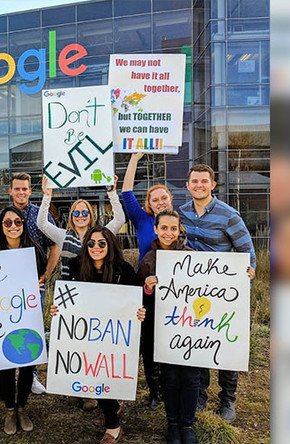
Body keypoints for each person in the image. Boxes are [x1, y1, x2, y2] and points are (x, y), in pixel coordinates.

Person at [50, 226, 145, 444]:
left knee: (105, 375)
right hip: (86, 337)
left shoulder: (124, 270)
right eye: (91, 243)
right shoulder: (76, 266)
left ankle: (113, 426)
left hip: (116, 339)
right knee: (94, 375)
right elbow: (67, 300)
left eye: (102, 243)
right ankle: (114, 410)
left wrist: (139, 312)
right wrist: (58, 309)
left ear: (110, 245)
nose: (96, 247)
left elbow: (136, 302)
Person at [178, 164, 256, 423]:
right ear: (187, 186)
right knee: (199, 342)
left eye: (204, 181)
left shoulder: (228, 215)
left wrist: (245, 282)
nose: (199, 185)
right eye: (194, 182)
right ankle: (200, 395)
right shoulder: (182, 213)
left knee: (227, 345)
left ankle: (228, 399)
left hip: (224, 293)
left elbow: (247, 252)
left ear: (213, 184)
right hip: (194, 293)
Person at [0, 172, 60, 395]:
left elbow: (54, 245)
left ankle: (32, 376)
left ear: (31, 190)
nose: (21, 192)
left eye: (25, 189)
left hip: (33, 285)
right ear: (10, 191)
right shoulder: (0, 216)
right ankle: (4, 373)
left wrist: (47, 274)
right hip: (4, 287)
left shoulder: (42, 214)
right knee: (6, 328)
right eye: (17, 188)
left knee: (32, 329)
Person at [137, 210, 199, 444]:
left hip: (192, 330)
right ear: (155, 229)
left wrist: (242, 274)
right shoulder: (148, 260)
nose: (169, 233)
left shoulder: (192, 256)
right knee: (170, 378)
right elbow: (139, 299)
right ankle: (172, 424)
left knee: (191, 378)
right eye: (164, 228)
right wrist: (147, 287)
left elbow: (212, 288)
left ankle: (188, 425)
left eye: (173, 228)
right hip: (163, 329)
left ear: (179, 229)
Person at [120, 151, 173, 409]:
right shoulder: (143, 220)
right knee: (149, 341)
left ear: (171, 200)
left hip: (177, 292)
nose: (160, 201)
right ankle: (155, 391)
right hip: (148, 289)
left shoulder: (177, 221)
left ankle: (172, 386)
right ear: (149, 203)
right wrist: (134, 159)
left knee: (174, 338)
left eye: (164, 197)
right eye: (155, 199)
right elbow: (127, 194)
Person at [0, 206, 48, 435]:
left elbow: (41, 277)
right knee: (5, 364)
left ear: (24, 224)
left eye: (18, 222)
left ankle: (22, 407)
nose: (13, 226)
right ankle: (9, 409)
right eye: (8, 223)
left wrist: (35, 285)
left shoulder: (34, 251)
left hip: (27, 314)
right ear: (0, 226)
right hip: (1, 315)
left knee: (26, 362)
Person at [37, 175, 126, 281]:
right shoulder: (63, 236)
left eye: (84, 212)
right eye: (76, 213)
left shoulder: (100, 235)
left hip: (95, 285)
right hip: (70, 287)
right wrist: (47, 197)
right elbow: (42, 224)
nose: (80, 216)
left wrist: (112, 193)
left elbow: (120, 219)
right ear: (71, 216)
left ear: (90, 215)